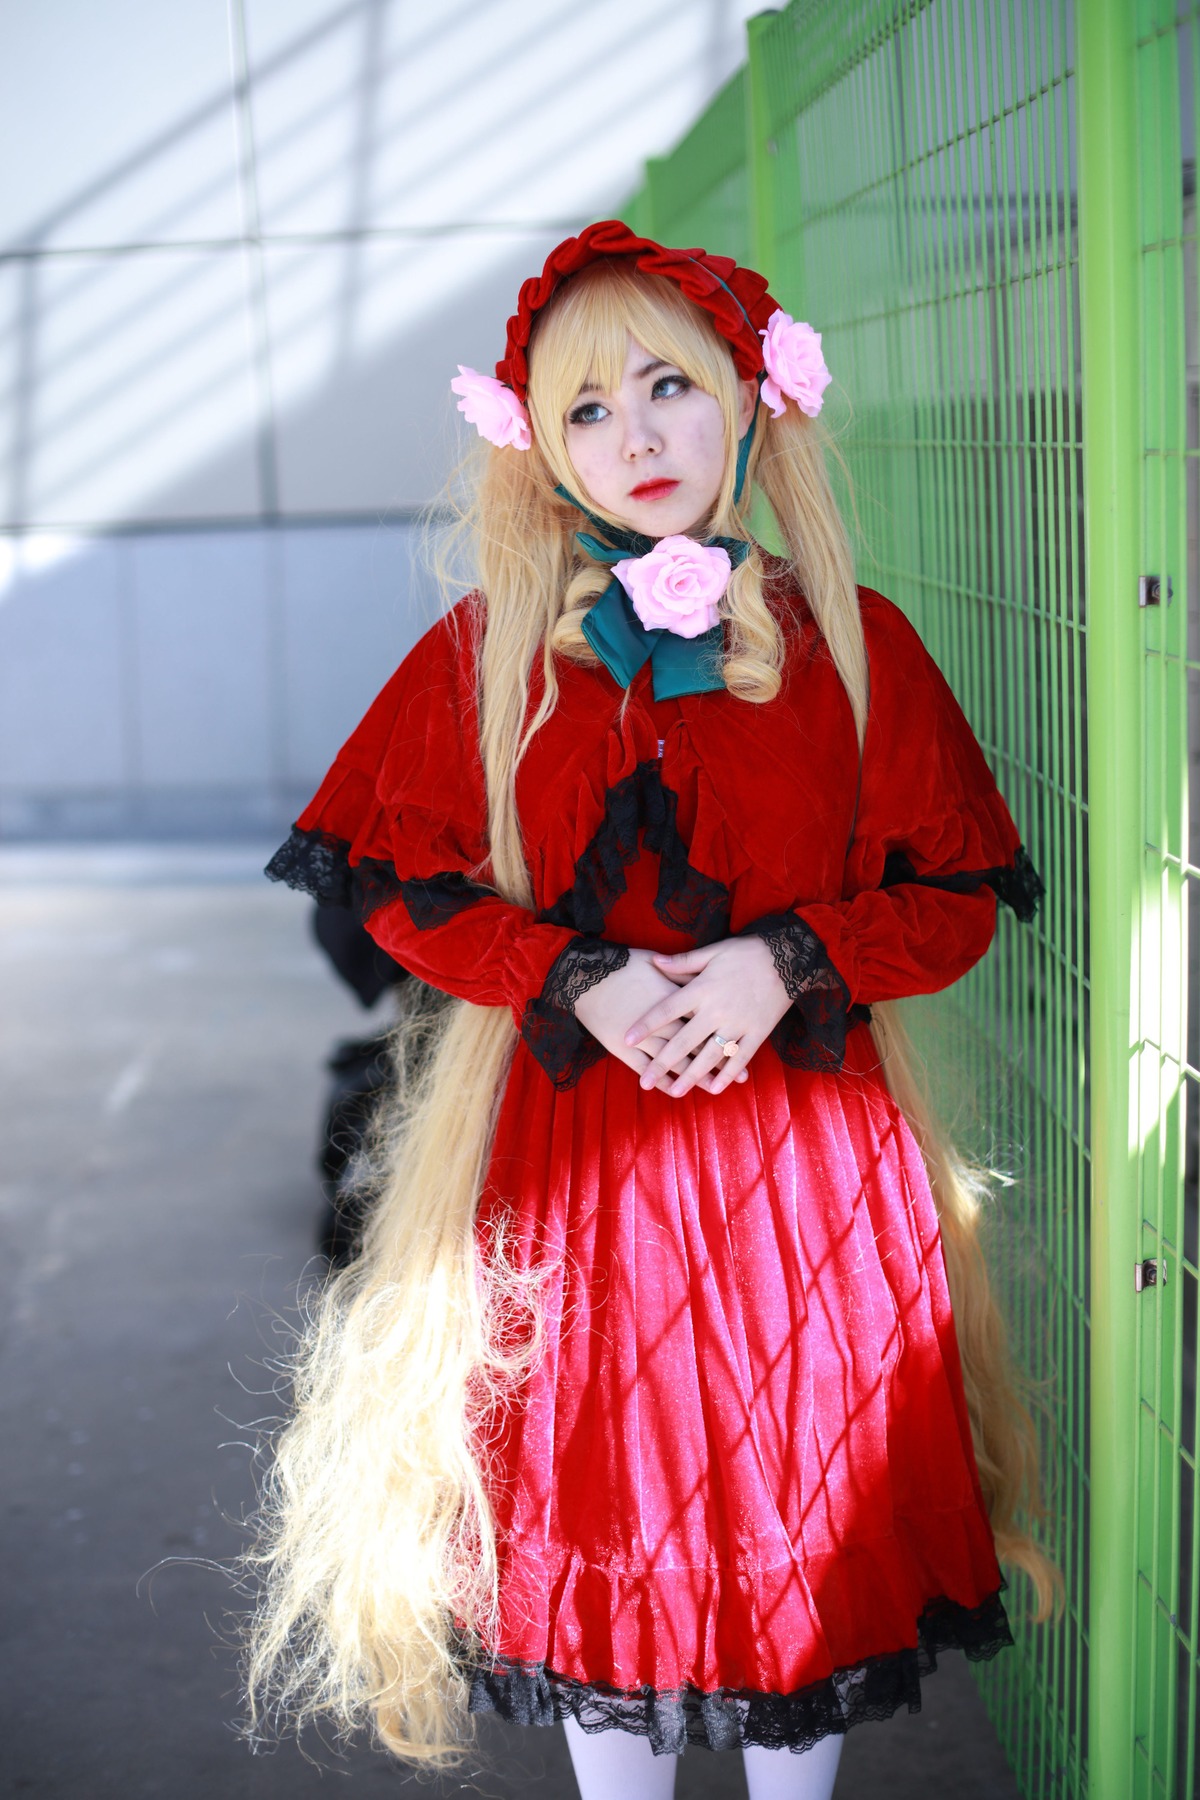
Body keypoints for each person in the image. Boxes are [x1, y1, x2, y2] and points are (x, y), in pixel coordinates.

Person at [248, 220, 1058, 1800]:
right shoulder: (489, 660)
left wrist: (788, 964)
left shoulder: (856, 649)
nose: (639, 438)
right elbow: (392, 880)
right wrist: (576, 978)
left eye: (671, 387)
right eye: (590, 413)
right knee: (599, 1503)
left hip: (805, 1174)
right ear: (544, 452)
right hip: (571, 1166)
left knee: (802, 1505)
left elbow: (960, 896)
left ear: (751, 401)